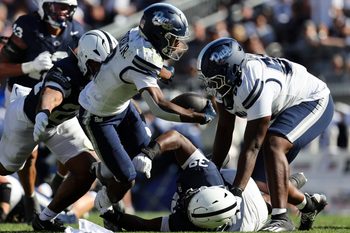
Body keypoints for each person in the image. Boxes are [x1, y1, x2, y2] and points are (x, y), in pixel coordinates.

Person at [78, 2, 216, 216]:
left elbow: (132, 62)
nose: (178, 44)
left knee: (146, 148)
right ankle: (103, 203)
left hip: (121, 106)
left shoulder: (137, 34)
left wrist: (164, 73)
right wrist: (197, 116)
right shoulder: (143, 56)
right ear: (158, 34)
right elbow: (160, 107)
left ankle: (105, 169)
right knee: (127, 177)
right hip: (97, 113)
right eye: (173, 38)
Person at [197, 37, 334, 231]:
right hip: (285, 107)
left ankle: (281, 218)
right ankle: (309, 205)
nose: (211, 86)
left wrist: (236, 193)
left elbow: (252, 146)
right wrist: (213, 171)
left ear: (231, 71)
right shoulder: (229, 81)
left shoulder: (253, 81)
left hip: (313, 100)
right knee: (259, 184)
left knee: (274, 144)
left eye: (215, 79)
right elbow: (225, 129)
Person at [0, 29, 118, 231]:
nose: (103, 70)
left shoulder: (103, 72)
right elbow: (51, 94)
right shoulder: (66, 68)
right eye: (99, 64)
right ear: (85, 58)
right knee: (5, 169)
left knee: (88, 169)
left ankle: (45, 219)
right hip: (29, 118)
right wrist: (43, 113)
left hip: (62, 121)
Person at [0, 0, 84, 223]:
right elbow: (1, 67)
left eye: (67, 7)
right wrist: (28, 67)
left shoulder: (76, 31)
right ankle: (30, 199)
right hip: (23, 95)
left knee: (78, 142)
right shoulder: (27, 26)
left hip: (59, 96)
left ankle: (58, 180)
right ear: (44, 6)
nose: (63, 12)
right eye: (58, 6)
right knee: (29, 152)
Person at [98, 130, 267, 232]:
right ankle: (289, 187)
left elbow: (147, 225)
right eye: (193, 195)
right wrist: (149, 152)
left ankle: (288, 189)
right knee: (221, 171)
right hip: (229, 191)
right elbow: (177, 138)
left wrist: (110, 215)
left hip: (252, 218)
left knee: (263, 199)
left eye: (190, 202)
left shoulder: (191, 224)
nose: (186, 196)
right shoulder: (206, 177)